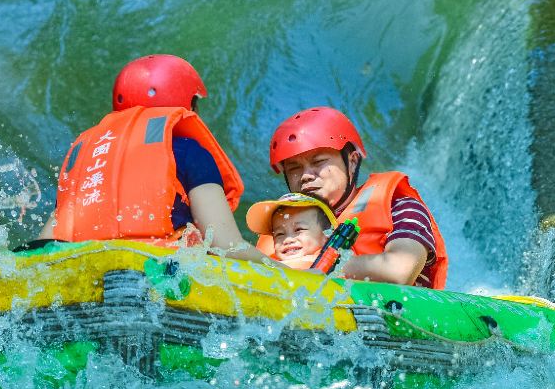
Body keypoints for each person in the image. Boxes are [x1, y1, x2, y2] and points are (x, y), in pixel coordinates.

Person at [38, 54, 275, 265]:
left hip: (86, 268)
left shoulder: (90, 159)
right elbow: (225, 245)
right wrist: (283, 271)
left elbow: (46, 245)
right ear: (189, 105)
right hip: (157, 271)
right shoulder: (190, 153)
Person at [261, 107, 448, 288]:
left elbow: (399, 270)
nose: (306, 175)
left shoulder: (400, 208)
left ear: (352, 162)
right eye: (294, 168)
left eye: (318, 162)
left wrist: (316, 267)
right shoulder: (282, 226)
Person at [245, 193, 337, 269]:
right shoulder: (269, 265)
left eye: (298, 229)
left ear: (327, 235)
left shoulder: (334, 266)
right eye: (279, 234)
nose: (288, 240)